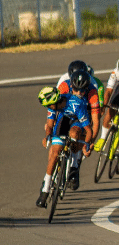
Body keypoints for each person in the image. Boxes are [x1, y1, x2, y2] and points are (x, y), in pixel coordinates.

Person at [36, 80, 93, 208]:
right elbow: (50, 125)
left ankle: (73, 167)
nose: (48, 108)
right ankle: (45, 190)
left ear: (55, 102)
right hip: (63, 121)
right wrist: (47, 137)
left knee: (74, 135)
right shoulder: (52, 107)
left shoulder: (76, 104)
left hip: (77, 121)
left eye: (49, 106)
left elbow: (89, 130)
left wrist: (87, 145)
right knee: (55, 153)